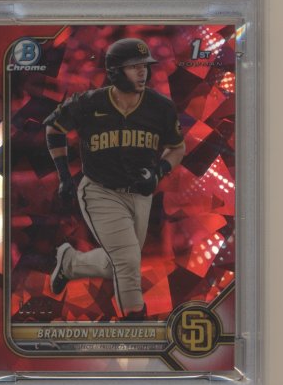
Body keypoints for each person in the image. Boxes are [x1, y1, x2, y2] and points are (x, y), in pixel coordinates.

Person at [44, 38, 186, 320]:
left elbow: (177, 147)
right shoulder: (88, 102)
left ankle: (70, 263)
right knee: (128, 259)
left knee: (120, 262)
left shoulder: (161, 107)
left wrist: (159, 171)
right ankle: (135, 321)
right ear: (115, 72)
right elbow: (54, 129)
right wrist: (64, 176)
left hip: (141, 194)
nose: (142, 72)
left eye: (144, 66)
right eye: (134, 66)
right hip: (100, 191)